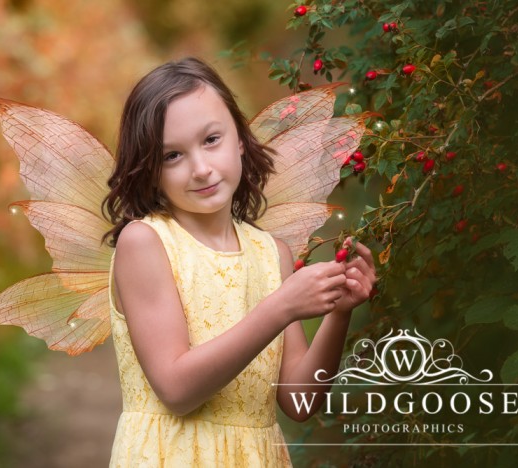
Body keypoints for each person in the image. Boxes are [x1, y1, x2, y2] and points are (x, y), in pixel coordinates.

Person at [101, 57, 376, 467]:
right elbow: (176, 390)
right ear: (150, 170)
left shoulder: (271, 255)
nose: (201, 168)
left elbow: (299, 403)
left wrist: (338, 315)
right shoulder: (145, 242)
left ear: (240, 140)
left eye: (211, 140)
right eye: (172, 156)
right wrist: (281, 307)